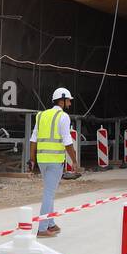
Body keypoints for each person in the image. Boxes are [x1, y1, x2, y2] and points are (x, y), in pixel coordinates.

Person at [29, 87, 78, 237]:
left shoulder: (41, 115)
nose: (69, 103)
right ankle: (42, 228)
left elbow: (33, 138)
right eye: (68, 100)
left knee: (50, 192)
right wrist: (74, 160)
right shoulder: (63, 117)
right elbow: (67, 141)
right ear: (62, 100)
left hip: (42, 160)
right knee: (49, 193)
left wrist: (32, 159)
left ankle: (50, 223)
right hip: (55, 160)